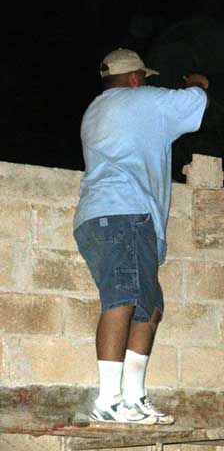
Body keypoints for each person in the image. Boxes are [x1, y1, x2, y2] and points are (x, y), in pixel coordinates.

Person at [73, 48, 210, 424]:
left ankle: (134, 397)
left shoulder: (95, 110)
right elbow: (194, 103)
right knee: (122, 300)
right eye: (145, 79)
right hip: (122, 214)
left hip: (111, 217)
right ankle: (108, 400)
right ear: (135, 78)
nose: (146, 83)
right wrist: (196, 83)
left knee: (149, 309)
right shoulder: (140, 101)